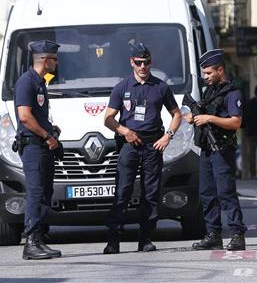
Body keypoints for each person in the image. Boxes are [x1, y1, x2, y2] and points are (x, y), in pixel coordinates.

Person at [103, 43, 182, 254]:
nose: (143, 66)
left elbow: (177, 114)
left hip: (152, 144)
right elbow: (108, 119)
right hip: (130, 143)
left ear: (151, 62)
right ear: (132, 62)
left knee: (151, 193)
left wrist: (168, 137)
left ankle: (145, 238)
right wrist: (124, 131)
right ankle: (113, 240)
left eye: (146, 62)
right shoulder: (122, 87)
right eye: (139, 63)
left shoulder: (160, 87)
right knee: (123, 191)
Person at [186, 49, 247, 251]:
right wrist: (193, 118)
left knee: (225, 193)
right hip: (206, 149)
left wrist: (209, 119)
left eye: (209, 73)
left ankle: (237, 234)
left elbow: (235, 122)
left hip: (221, 149)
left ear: (220, 70)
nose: (205, 77)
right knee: (206, 193)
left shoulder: (232, 93)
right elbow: (203, 113)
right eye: (204, 74)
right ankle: (213, 233)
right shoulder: (209, 91)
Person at [15, 40, 63, 260]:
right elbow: (25, 117)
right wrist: (46, 136)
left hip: (42, 145)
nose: (56, 61)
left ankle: (40, 239)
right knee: (35, 193)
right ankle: (31, 243)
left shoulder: (40, 82)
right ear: (44, 59)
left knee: (45, 193)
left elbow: (37, 115)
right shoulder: (27, 82)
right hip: (33, 146)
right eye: (54, 58)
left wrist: (50, 129)